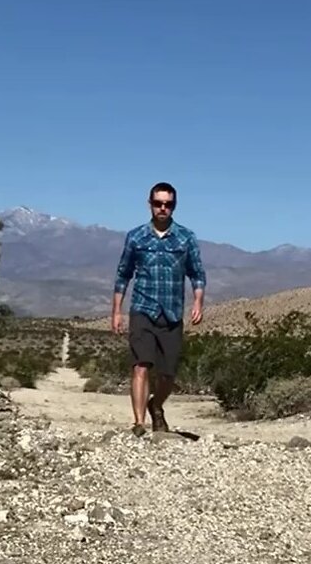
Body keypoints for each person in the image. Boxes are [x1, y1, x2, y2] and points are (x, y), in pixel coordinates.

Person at [111, 181, 206, 436]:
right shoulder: (136, 237)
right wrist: (117, 311)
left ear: (174, 206)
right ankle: (139, 423)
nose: (163, 208)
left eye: (168, 204)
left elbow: (197, 274)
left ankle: (156, 405)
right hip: (143, 308)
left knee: (168, 374)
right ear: (150, 204)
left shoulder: (186, 238)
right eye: (158, 203)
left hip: (172, 312)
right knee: (141, 365)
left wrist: (198, 301)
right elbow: (123, 275)